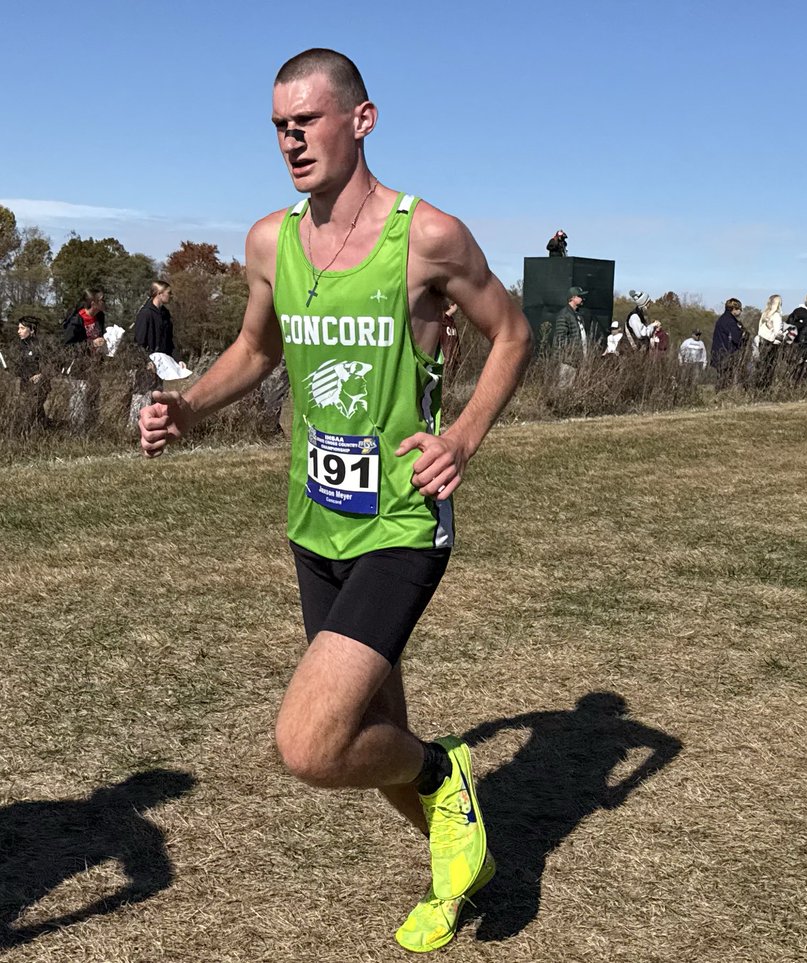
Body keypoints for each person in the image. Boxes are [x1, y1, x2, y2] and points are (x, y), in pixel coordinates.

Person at [137, 48, 532, 950]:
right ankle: (455, 863)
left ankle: (446, 773)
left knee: (312, 742)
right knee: (370, 726)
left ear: (362, 120)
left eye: (307, 120)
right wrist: (189, 403)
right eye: (279, 124)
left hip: (401, 519)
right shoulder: (270, 241)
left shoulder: (427, 235)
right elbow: (257, 347)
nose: (291, 139)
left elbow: (513, 332)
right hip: (315, 521)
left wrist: (463, 436)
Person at [61, 288, 108, 430]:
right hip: (79, 367)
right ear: (93, 303)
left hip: (95, 365)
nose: (105, 302)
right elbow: (67, 346)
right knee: (79, 400)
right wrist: (91, 343)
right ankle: (76, 431)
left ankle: (92, 430)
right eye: (102, 300)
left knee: (94, 398)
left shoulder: (100, 317)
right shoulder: (76, 321)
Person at [13, 316, 50, 427]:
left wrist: (41, 374)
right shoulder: (20, 346)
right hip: (25, 385)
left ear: (32, 330)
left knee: (32, 410)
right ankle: (44, 429)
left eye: (22, 328)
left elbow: (50, 363)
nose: (19, 331)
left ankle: (35, 431)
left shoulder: (40, 345)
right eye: (18, 328)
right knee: (34, 412)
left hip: (39, 385)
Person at [552, 286, 589, 386]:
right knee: (564, 388)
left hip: (578, 359)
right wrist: (571, 353)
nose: (583, 299)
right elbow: (561, 338)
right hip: (568, 361)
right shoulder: (564, 314)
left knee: (574, 389)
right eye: (580, 296)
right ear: (572, 298)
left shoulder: (577, 315)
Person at [133, 281, 176, 358]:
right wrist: (147, 361)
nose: (171, 295)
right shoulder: (146, 313)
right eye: (169, 293)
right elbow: (139, 343)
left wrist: (178, 360)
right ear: (159, 294)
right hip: (150, 361)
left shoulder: (166, 314)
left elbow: (169, 341)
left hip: (166, 361)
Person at [710, 297, 745, 389]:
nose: (740, 311)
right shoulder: (730, 321)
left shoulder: (722, 319)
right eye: (739, 309)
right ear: (733, 309)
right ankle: (723, 397)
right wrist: (743, 332)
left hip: (719, 353)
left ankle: (720, 396)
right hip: (727, 354)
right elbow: (737, 338)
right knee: (725, 379)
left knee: (721, 378)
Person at [753, 294, 786, 390]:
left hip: (761, 341)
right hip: (771, 344)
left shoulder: (764, 314)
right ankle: (765, 389)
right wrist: (784, 336)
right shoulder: (776, 316)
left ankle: (758, 388)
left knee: (761, 367)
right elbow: (777, 332)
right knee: (769, 368)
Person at [440, 301, 461, 385]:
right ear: (451, 305)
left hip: (454, 359)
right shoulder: (442, 321)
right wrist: (443, 355)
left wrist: (458, 355)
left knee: (451, 382)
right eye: (456, 304)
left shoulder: (452, 321)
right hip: (445, 359)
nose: (457, 307)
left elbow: (456, 340)